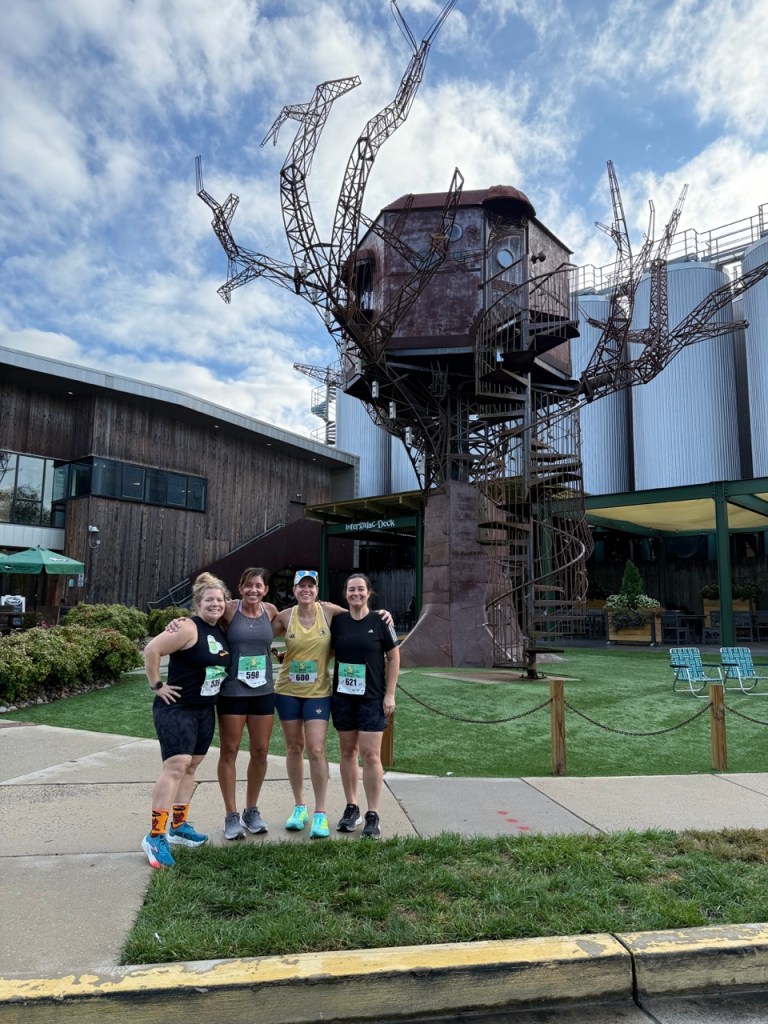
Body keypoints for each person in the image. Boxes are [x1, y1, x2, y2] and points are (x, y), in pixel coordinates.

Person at [271, 570, 394, 840]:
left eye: (310, 586)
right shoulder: (284, 616)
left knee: (317, 748)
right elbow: (257, 635)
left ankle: (323, 812)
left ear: (317, 591)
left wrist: (383, 614)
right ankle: (302, 807)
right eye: (300, 586)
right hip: (290, 691)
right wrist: (278, 654)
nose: (306, 590)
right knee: (295, 747)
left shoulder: (330, 613)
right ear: (293, 590)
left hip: (322, 692)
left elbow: (364, 617)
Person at [141, 572, 231, 869]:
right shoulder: (188, 627)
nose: (215, 604)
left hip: (204, 710)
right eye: (209, 600)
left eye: (219, 600)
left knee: (191, 766)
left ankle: (178, 826)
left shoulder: (220, 629)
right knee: (176, 765)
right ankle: (155, 835)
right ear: (197, 603)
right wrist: (157, 685)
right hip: (177, 708)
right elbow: (152, 649)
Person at [330, 573, 400, 840]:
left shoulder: (381, 621)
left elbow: (394, 658)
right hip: (343, 697)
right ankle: (352, 807)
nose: (356, 593)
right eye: (351, 589)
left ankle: (373, 814)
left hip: (372, 697)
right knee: (347, 752)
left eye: (360, 589)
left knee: (371, 755)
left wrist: (390, 694)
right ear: (345, 593)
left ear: (369, 593)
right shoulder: (338, 622)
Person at [216, 567, 280, 841]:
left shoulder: (272, 611)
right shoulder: (229, 610)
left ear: (265, 589)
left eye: (259, 586)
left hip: (263, 691)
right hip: (232, 691)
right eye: (248, 586)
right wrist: (176, 624)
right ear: (240, 588)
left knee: (261, 751)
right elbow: (202, 620)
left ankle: (250, 811)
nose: (253, 590)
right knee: (229, 751)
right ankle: (231, 815)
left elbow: (310, 615)